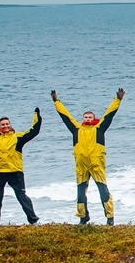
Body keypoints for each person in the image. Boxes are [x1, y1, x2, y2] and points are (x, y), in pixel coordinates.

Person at [51, 88, 124, 225]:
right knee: (80, 193)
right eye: (86, 117)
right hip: (81, 165)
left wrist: (118, 100)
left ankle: (110, 218)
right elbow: (65, 116)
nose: (88, 119)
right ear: (82, 119)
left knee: (103, 191)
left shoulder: (99, 128)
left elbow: (109, 114)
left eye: (90, 117)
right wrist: (56, 102)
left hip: (97, 165)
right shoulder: (76, 129)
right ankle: (83, 217)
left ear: (94, 119)